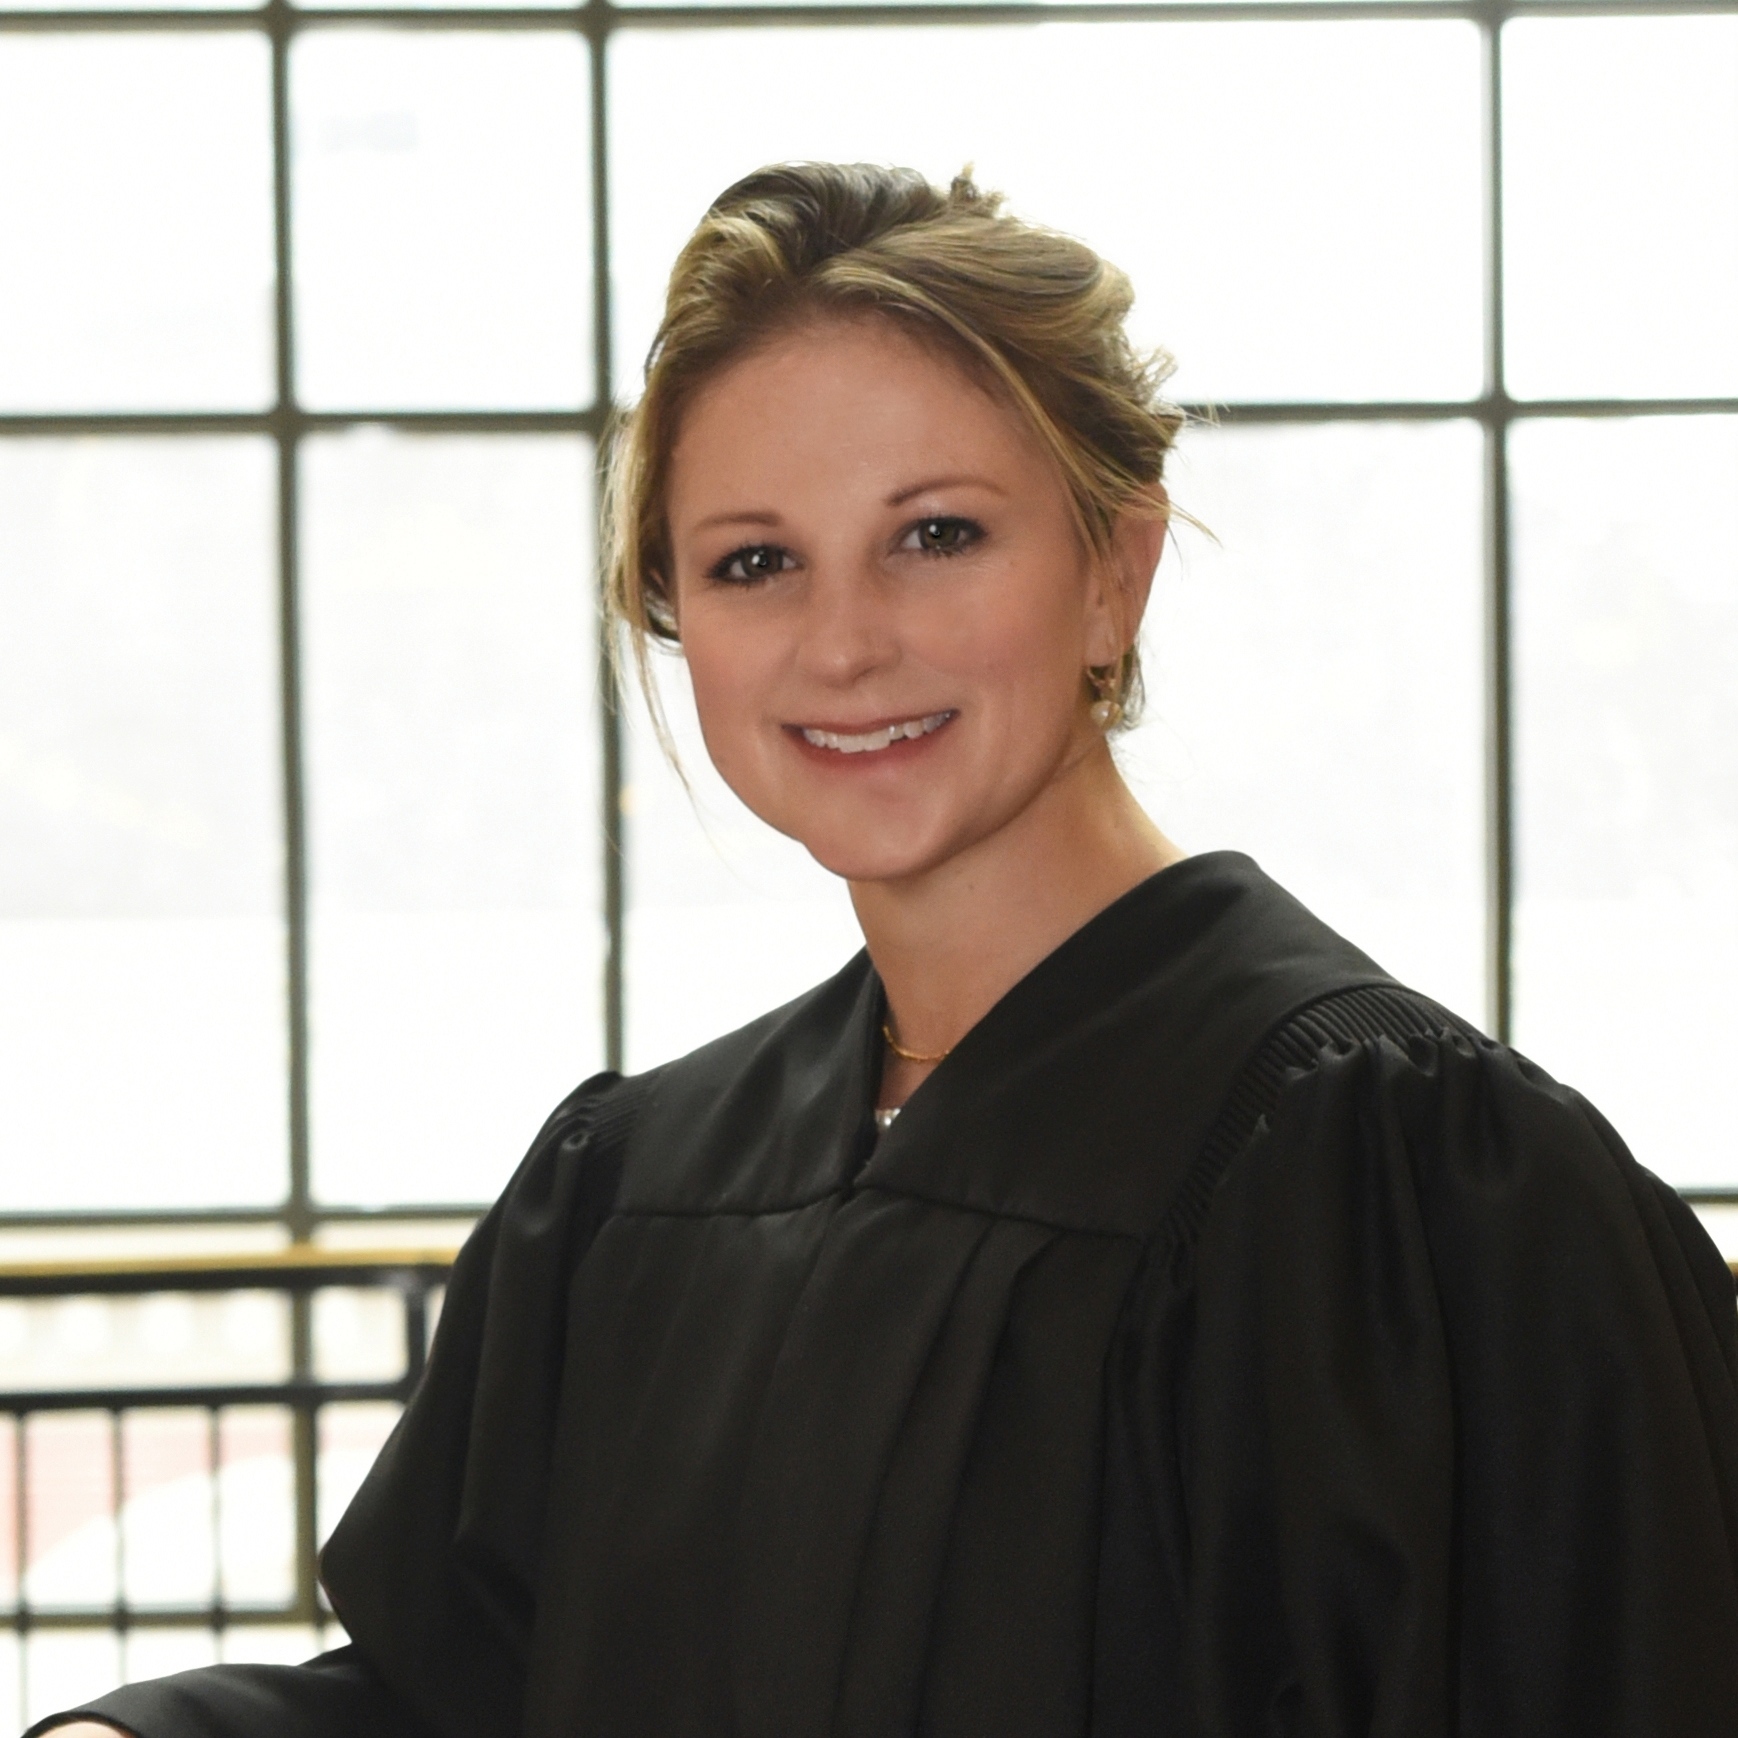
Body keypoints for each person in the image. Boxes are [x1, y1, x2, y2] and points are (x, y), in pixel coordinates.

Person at [33, 162, 1738, 1738]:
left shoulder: (1399, 1185)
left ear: (1113, 570)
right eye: (754, 561)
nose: (842, 642)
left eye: (937, 534)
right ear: (677, 617)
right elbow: (455, 1700)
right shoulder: (634, 1190)